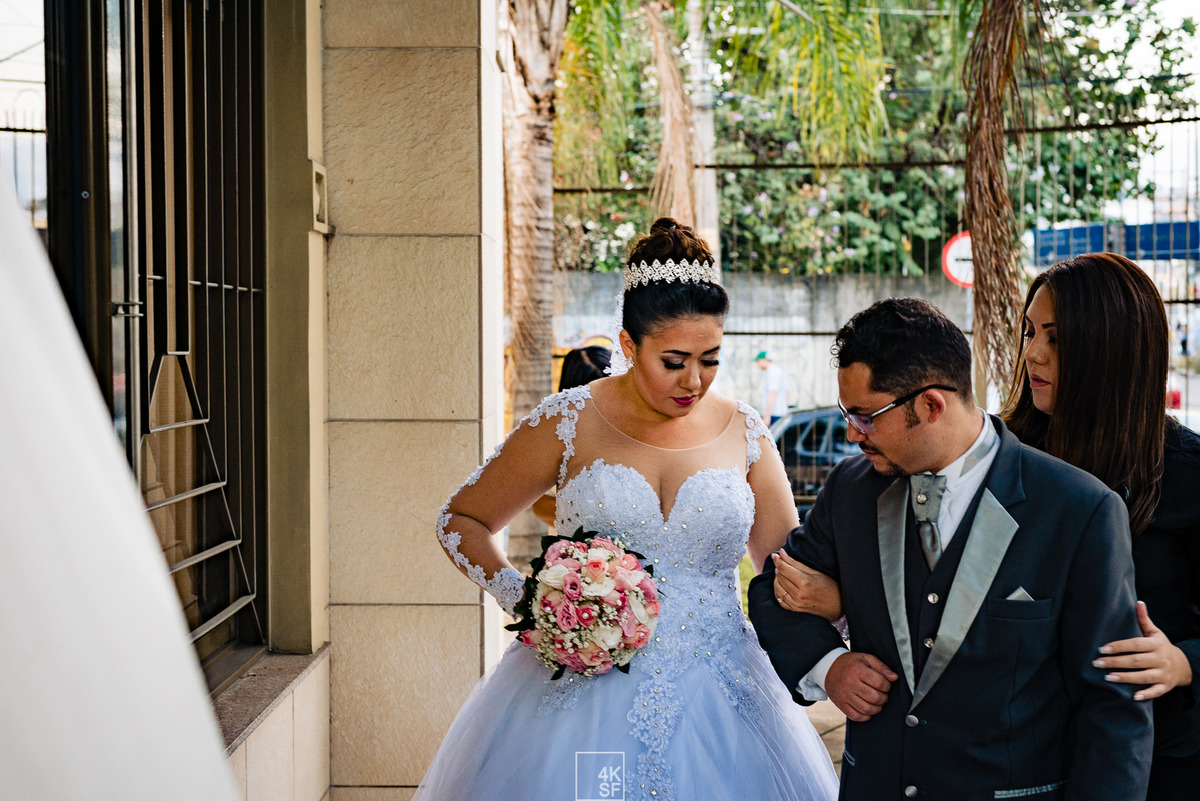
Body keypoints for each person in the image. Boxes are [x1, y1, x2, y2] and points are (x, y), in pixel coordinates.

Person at [417, 218, 840, 801]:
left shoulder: (745, 431)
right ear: (628, 346)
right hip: (580, 690)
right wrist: (530, 601)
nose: (694, 379)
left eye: (711, 357)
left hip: (724, 693)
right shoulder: (567, 420)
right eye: (674, 361)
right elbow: (460, 521)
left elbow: (784, 568)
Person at [748, 297, 1153, 801]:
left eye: (866, 417)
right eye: (846, 415)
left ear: (931, 405)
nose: (853, 434)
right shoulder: (851, 490)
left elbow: (1112, 707)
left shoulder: (1080, 510)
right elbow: (770, 592)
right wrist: (829, 667)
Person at [1001, 252, 1200, 800]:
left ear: (1112, 350)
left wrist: (1183, 662)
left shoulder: (1186, 472)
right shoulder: (1003, 455)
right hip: (1017, 754)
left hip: (1154, 760)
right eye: (1029, 332)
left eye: (1057, 339)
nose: (1032, 353)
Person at [756, 350, 790, 426]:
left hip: (773, 414)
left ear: (764, 360)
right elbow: (787, 392)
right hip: (779, 412)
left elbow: (772, 394)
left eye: (758, 361)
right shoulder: (778, 371)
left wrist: (767, 416)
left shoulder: (772, 372)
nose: (757, 364)